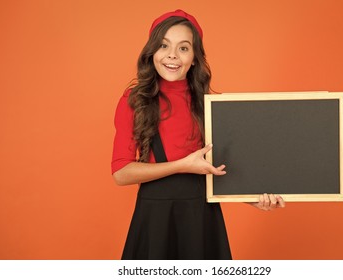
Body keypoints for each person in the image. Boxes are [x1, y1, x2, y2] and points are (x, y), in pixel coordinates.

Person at [111, 9, 285, 260]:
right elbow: (121, 173)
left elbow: (221, 170)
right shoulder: (134, 101)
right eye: (163, 45)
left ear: (194, 58)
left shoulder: (210, 105)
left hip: (202, 218)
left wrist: (252, 198)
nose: (172, 55)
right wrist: (183, 165)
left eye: (183, 48)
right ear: (152, 53)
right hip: (155, 220)